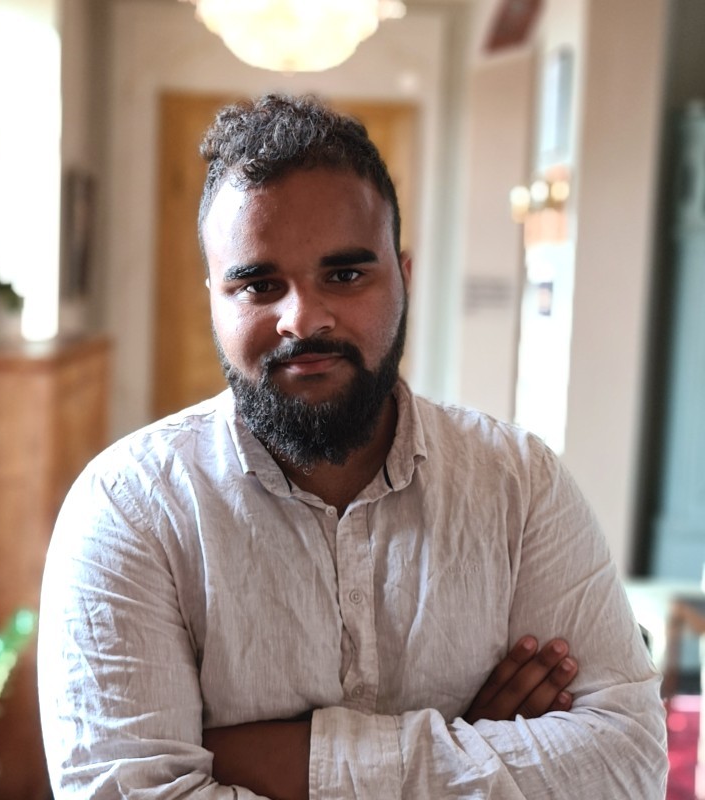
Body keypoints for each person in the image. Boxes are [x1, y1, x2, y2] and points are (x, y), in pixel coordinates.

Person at [38, 93, 667, 799]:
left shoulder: (520, 484)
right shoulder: (129, 509)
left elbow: (628, 765)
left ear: (405, 277)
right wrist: (474, 746)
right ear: (213, 298)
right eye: (258, 284)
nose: (303, 319)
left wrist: (283, 761)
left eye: (344, 275)